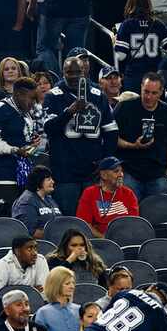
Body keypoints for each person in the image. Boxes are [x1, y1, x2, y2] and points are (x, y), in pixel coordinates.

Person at [43, 56, 118, 216]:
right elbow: (49, 128)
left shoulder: (98, 95)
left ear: (84, 72)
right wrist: (70, 111)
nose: (74, 76)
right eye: (69, 72)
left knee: (96, 217)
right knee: (69, 218)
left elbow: (111, 132)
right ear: (63, 72)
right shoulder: (53, 96)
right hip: (65, 173)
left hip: (93, 171)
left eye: (78, 72)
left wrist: (104, 162)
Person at [115, 73, 167, 200]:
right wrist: (133, 146)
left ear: (162, 92)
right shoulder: (124, 108)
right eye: (146, 91)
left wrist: (165, 174)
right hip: (129, 171)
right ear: (140, 87)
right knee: (130, 215)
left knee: (158, 215)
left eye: (154, 93)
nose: (149, 97)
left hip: (157, 174)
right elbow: (112, 139)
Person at [0, 77, 40, 198]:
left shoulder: (26, 112)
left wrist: (33, 144)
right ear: (18, 94)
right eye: (31, 98)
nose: (33, 103)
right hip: (3, 176)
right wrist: (16, 150)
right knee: (7, 215)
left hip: (23, 174)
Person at [116, 0, 167, 94]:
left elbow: (121, 56)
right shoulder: (158, 24)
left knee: (132, 108)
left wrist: (114, 45)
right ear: (148, 4)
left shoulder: (127, 25)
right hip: (154, 77)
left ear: (130, 4)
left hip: (134, 76)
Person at [76, 156, 139, 238]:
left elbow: (134, 223)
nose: (121, 175)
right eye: (116, 171)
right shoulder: (90, 193)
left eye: (122, 171)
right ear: (104, 175)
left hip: (126, 238)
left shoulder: (128, 193)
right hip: (99, 242)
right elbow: (84, 224)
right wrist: (104, 239)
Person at [34, 267, 79, 331]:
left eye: (73, 283)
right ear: (56, 285)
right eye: (67, 283)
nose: (72, 286)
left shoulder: (79, 309)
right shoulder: (43, 312)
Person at [11, 165, 61, 239]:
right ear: (39, 181)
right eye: (48, 179)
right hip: (37, 245)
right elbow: (30, 232)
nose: (53, 182)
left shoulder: (49, 199)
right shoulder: (26, 202)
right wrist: (57, 236)